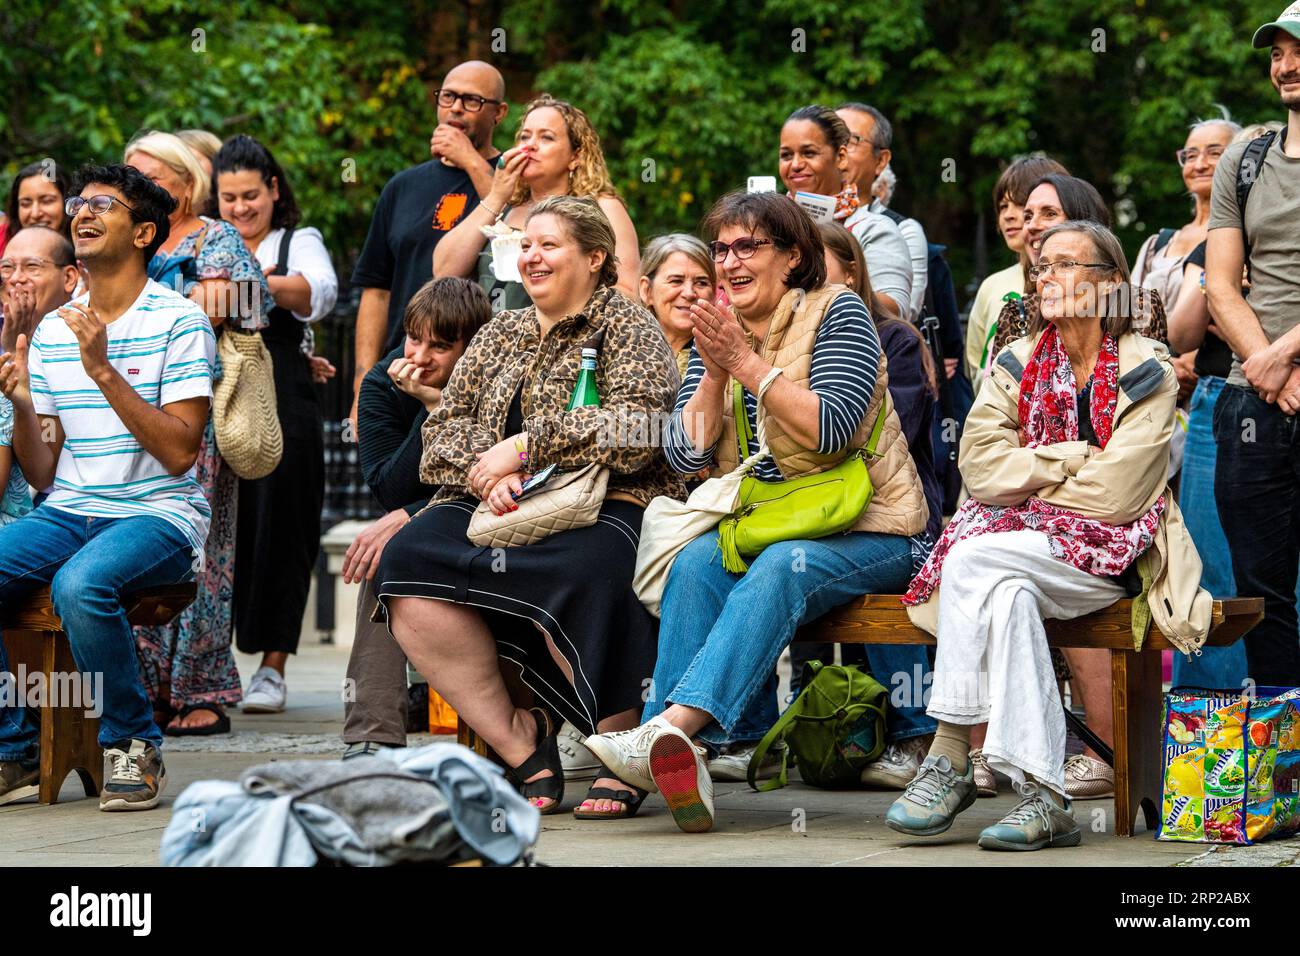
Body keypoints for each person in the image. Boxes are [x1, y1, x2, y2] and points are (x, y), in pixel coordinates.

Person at [584, 191, 930, 833]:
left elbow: (834, 429)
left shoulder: (839, 310)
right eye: (721, 248)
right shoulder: (718, 327)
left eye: (748, 247)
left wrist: (747, 365)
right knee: (694, 563)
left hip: (877, 526)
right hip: (778, 522)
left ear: (792, 256)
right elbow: (687, 454)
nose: (729, 261)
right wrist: (714, 374)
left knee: (779, 567)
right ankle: (682, 751)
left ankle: (668, 729)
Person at [888, 220, 1207, 851]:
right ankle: (1044, 796)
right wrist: (1070, 458)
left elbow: (1116, 499)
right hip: (1024, 553)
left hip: (1113, 558)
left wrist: (1026, 482)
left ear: (1110, 283)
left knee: (973, 559)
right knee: (1005, 598)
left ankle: (950, 752)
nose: (1045, 277)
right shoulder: (1017, 360)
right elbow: (978, 468)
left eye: (1064, 264)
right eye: (1042, 267)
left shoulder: (1149, 370)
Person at [375, 195, 684, 819]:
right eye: (526, 245)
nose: (532, 256)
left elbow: (642, 424)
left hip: (605, 499)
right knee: (407, 559)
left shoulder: (627, 326)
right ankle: (521, 743)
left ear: (595, 257)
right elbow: (448, 425)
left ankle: (619, 747)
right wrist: (482, 475)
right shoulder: (501, 331)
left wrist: (525, 445)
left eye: (549, 244)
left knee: (596, 570)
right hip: (494, 502)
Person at [0, 163, 216, 810]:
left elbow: (181, 452)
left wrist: (103, 370)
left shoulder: (181, 322)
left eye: (105, 205)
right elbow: (43, 474)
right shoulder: (55, 332)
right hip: (70, 509)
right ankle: (14, 747)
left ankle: (133, 744)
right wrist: (19, 406)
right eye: (80, 203)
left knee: (81, 584)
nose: (82, 213)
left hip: (159, 516)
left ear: (145, 231)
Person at [784, 220, 942, 789]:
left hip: (900, 516)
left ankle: (914, 735)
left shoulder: (893, 339)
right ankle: (789, 727)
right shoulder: (787, 335)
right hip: (820, 513)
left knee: (881, 584)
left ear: (852, 272)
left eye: (818, 267)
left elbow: (862, 436)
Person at [125, 131, 270, 735]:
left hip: (197, 415)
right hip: (127, 411)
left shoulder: (216, 236)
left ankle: (200, 687)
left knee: (203, 552)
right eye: (129, 176)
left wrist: (213, 297)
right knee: (134, 543)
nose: (137, 189)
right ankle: (147, 685)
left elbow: (252, 303)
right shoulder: (126, 242)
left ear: (186, 184)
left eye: (152, 177)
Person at [213, 134, 339, 715]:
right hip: (214, 389)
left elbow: (316, 292)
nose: (240, 208)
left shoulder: (298, 241)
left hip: (284, 393)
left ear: (273, 190)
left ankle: (273, 665)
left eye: (250, 196)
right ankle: (212, 666)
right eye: (228, 197)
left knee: (284, 522)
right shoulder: (205, 241)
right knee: (220, 526)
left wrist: (235, 287)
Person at [340, 277, 489, 758]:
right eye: (414, 338)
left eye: (441, 346)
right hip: (424, 521)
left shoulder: (496, 378)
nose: (421, 356)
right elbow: (389, 487)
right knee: (385, 556)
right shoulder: (383, 384)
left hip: (491, 515)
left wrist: (440, 405)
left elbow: (485, 476)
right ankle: (372, 732)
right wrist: (430, 411)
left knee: (397, 541)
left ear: (471, 350)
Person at [1205, 9, 1300, 688]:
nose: (1286, 65)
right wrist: (1266, 373)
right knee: (1262, 599)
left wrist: (1279, 356)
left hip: (1265, 376)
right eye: (1278, 53)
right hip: (1252, 409)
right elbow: (1219, 284)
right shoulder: (1246, 156)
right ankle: (1284, 766)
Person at [350, 60, 506, 431]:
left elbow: (514, 230)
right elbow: (377, 292)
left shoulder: (512, 178)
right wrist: (361, 387)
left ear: (499, 113)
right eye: (448, 96)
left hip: (481, 375)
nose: (454, 108)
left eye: (471, 101)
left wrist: (469, 159)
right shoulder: (402, 186)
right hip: (403, 367)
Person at [434, 93, 641, 311]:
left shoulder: (603, 207)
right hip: (488, 340)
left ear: (576, 157)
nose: (530, 146)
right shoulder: (505, 204)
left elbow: (628, 293)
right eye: (525, 137)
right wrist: (496, 196)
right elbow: (444, 271)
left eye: (546, 138)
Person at [1135, 115, 1241, 406]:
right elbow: (1127, 317)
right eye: (1190, 155)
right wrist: (1165, 367)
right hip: (1148, 388)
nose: (1200, 163)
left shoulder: (1247, 239)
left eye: (1215, 152)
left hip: (1211, 386)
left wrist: (1192, 361)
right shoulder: (1158, 244)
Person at [777, 104, 912, 319]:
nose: (795, 164)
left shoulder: (873, 229)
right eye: (786, 155)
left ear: (840, 157)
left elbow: (894, 309)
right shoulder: (769, 226)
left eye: (809, 153)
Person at [965, 157, 1068, 391]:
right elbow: (975, 366)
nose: (1009, 215)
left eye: (1019, 204)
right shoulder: (992, 285)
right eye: (1002, 206)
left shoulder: (1091, 285)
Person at [0, 226, 79, 522]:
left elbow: (46, 465)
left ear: (69, 278)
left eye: (32, 266)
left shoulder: (87, 340)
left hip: (60, 508)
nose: (16, 277)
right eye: (7, 267)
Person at [836, 103, 929, 322]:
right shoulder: (793, 217)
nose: (837, 150)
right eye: (829, 140)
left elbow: (904, 310)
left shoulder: (902, 230)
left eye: (849, 141)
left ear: (881, 160)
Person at [637, 234, 716, 380]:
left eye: (702, 283)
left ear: (714, 295)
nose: (689, 293)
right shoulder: (625, 349)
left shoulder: (721, 358)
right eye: (676, 281)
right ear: (646, 290)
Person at [2, 162, 72, 255]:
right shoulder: (3, 239)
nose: (35, 214)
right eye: (25, 204)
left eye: (47, 201)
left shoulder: (87, 246)